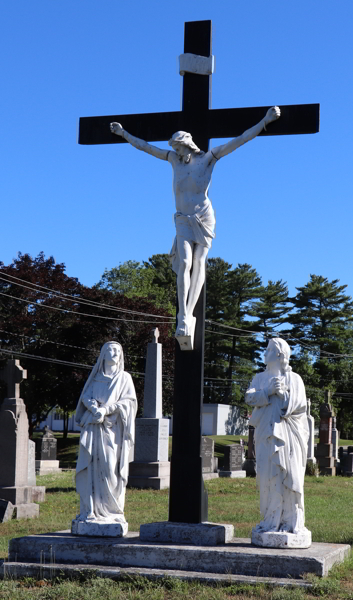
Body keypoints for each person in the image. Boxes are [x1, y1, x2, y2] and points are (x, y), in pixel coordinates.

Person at [110, 107, 280, 343]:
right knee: (184, 263)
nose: (176, 152)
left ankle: (188, 312)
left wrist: (265, 121)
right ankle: (182, 314)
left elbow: (240, 139)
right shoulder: (172, 160)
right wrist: (124, 134)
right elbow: (147, 147)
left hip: (203, 217)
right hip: (182, 218)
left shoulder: (209, 158)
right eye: (174, 149)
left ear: (187, 144)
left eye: (178, 147)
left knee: (198, 262)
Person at [245, 338, 310, 540]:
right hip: (266, 436)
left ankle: (290, 522)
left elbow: (299, 407)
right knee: (267, 477)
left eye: (269, 350)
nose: (265, 354)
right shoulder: (260, 378)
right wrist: (267, 391)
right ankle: (270, 520)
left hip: (289, 437)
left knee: (290, 476)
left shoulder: (295, 379)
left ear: (280, 355)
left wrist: (282, 395)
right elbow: (249, 398)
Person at [74, 341, 137, 529]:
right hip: (94, 429)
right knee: (91, 468)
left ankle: (113, 511)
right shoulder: (96, 378)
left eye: (118, 350)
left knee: (111, 469)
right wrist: (94, 408)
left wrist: (106, 410)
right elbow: (85, 396)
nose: (114, 352)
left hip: (113, 431)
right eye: (110, 349)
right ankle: (90, 510)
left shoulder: (124, 378)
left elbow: (129, 403)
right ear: (103, 354)